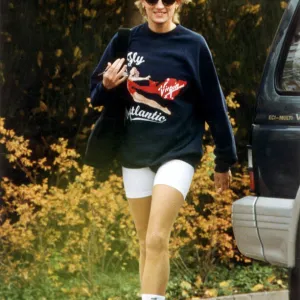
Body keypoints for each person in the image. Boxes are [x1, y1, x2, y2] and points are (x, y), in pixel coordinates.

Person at [90, 0, 238, 299]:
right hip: (134, 152)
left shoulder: (193, 45)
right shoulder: (125, 40)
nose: (160, 5)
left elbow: (214, 104)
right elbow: (95, 94)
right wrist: (105, 85)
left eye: (168, 0)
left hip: (178, 151)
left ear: (178, 3)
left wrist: (224, 160)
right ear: (142, 3)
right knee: (145, 242)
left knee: (157, 238)